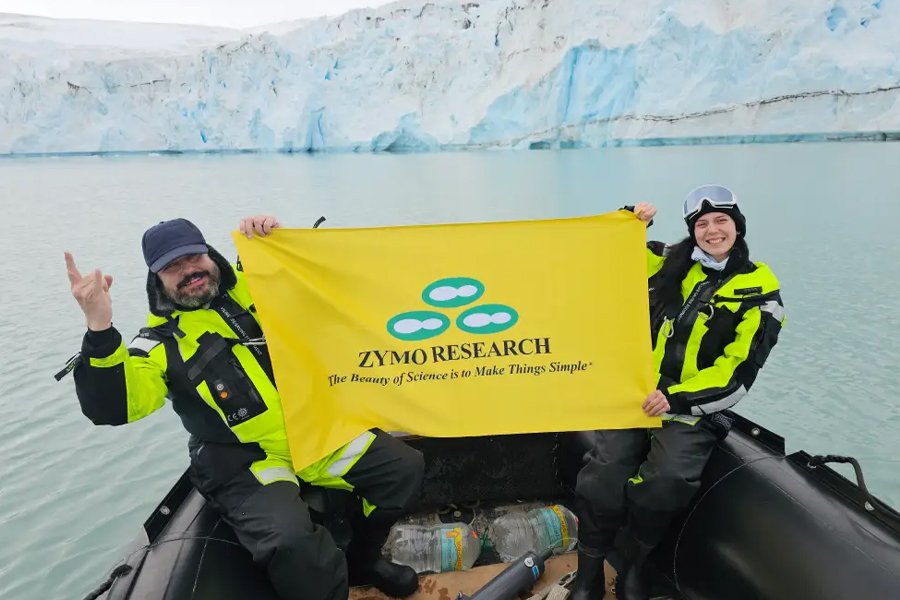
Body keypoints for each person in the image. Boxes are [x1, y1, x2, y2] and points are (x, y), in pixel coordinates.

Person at [62, 215, 424, 600]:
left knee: (403, 469)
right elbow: (114, 407)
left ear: (210, 255)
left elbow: (317, 276)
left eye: (193, 258)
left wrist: (271, 238)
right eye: (173, 267)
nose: (189, 271)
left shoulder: (256, 288)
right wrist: (99, 328)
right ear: (158, 281)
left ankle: (364, 559)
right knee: (291, 542)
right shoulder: (157, 344)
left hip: (311, 433)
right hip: (242, 461)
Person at [570, 185, 786, 600]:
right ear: (692, 231)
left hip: (691, 408)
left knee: (667, 481)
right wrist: (632, 220)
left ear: (738, 227)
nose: (712, 230)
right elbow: (614, 252)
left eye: (721, 221)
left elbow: (738, 371)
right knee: (601, 475)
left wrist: (678, 398)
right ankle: (590, 570)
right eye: (701, 224)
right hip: (636, 395)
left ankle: (633, 564)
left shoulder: (761, 290)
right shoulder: (672, 261)